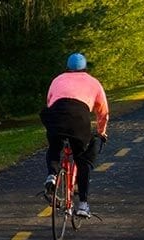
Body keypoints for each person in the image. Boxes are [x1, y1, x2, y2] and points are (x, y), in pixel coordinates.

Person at [40, 53, 109, 217]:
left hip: (55, 115)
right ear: (85, 68)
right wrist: (101, 131)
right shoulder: (93, 82)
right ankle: (83, 205)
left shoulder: (57, 79)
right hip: (78, 118)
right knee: (82, 158)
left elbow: (49, 101)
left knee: (54, 147)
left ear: (67, 68)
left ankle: (52, 174)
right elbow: (103, 112)